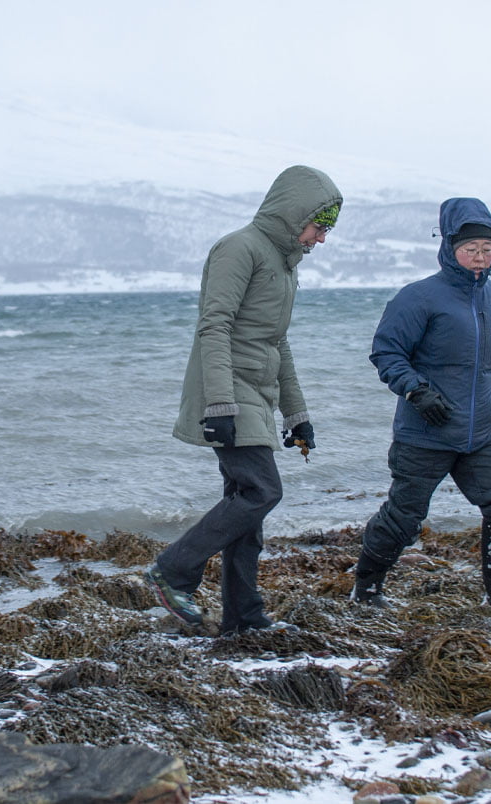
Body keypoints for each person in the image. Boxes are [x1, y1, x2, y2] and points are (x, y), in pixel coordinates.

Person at [145, 165, 343, 634]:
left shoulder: (284, 266)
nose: (321, 238)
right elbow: (214, 326)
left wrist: (297, 414)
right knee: (261, 490)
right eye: (319, 226)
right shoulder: (239, 248)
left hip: (259, 394)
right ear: (296, 215)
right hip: (228, 391)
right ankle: (173, 570)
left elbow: (278, 343)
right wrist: (219, 406)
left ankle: (243, 617)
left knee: (245, 508)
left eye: (327, 230)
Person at [350, 196, 491, 610]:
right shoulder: (419, 297)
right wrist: (416, 390)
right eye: (470, 250)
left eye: (487, 249)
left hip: (479, 434)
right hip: (426, 431)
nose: (479, 258)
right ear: (449, 248)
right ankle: (366, 590)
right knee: (404, 518)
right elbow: (386, 353)